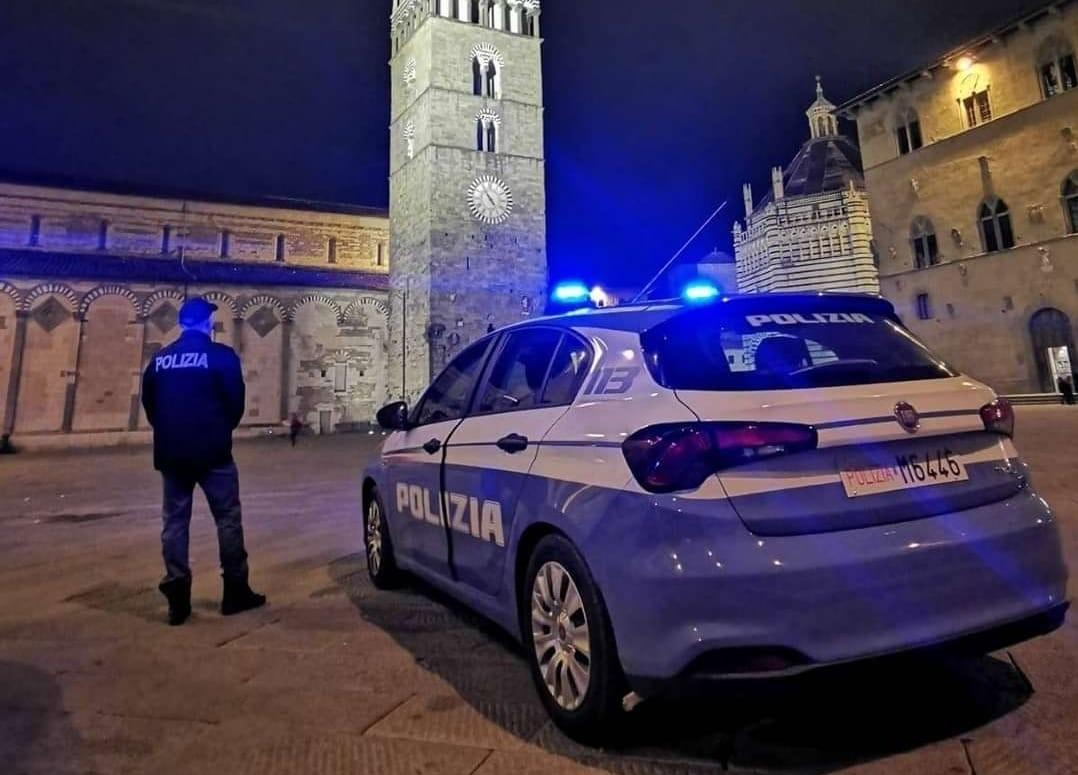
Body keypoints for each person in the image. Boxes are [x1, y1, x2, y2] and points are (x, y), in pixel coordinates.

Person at [141, 297, 266, 626]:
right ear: (206, 324)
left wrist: (172, 432)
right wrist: (218, 428)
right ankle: (236, 592)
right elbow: (235, 405)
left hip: (172, 453)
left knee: (174, 523)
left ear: (182, 324)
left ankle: (178, 598)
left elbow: (151, 406)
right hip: (213, 453)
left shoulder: (159, 361)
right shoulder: (221, 357)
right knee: (227, 519)